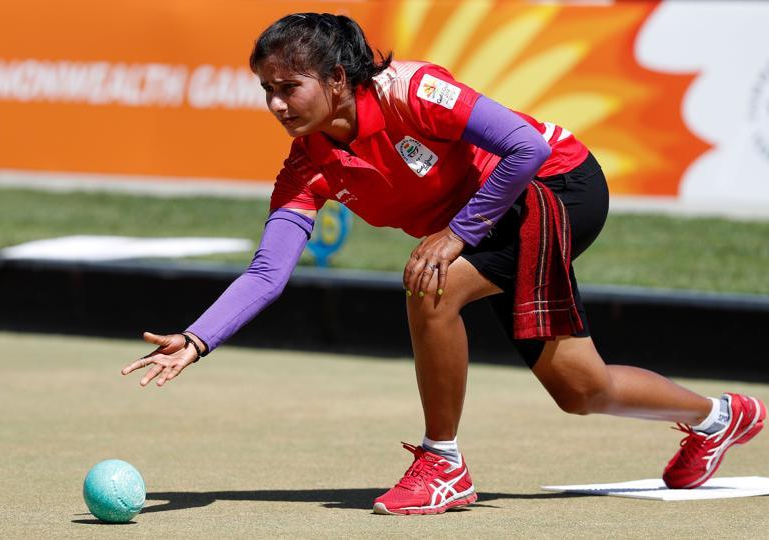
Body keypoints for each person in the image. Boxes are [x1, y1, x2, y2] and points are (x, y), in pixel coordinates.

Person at [122, 13, 765, 515]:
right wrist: (198, 337)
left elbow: (526, 146)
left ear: (339, 80)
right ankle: (719, 419)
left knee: (431, 284)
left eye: (289, 87)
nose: (276, 105)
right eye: (266, 90)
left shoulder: (413, 92)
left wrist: (457, 234)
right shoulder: (305, 167)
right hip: (497, 223)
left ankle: (442, 464)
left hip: (558, 187)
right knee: (582, 390)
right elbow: (268, 272)